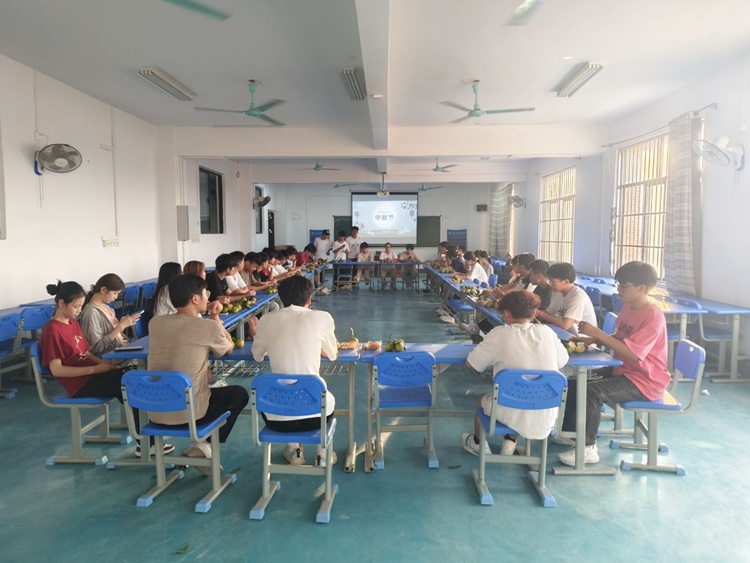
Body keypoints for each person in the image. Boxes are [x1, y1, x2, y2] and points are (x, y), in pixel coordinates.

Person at [40, 280, 173, 458]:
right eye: (76, 307)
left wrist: (105, 365)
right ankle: (146, 443)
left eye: (80, 306)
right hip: (79, 384)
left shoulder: (72, 323)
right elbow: (57, 370)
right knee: (128, 381)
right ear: (61, 303)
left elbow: (85, 353)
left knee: (134, 374)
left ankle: (148, 437)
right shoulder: (52, 330)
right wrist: (96, 370)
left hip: (91, 374)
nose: (79, 311)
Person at [558, 261, 669, 466]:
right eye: (618, 284)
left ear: (641, 288)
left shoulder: (653, 316)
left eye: (623, 286)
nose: (619, 290)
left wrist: (597, 333)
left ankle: (587, 448)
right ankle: (573, 434)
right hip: (623, 370)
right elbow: (620, 337)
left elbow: (633, 353)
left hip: (645, 381)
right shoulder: (628, 306)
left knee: (592, 392)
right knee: (575, 381)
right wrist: (592, 340)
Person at [148, 274, 250, 473]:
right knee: (238, 394)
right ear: (195, 298)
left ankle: (201, 447)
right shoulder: (208, 326)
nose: (208, 297)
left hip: (155, 410)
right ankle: (204, 445)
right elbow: (229, 347)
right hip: (191, 414)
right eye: (206, 294)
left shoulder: (155, 323)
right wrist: (215, 317)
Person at [460, 290, 568, 457]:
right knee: (525, 394)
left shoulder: (500, 334)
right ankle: (510, 441)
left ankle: (477, 443)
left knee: (483, 399)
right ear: (534, 312)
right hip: (546, 413)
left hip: (510, 410)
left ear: (507, 313)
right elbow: (563, 361)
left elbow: (472, 363)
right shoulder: (548, 332)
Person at [251, 276, 338, 467]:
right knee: (325, 398)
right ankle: (322, 455)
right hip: (315, 416)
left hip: (276, 418)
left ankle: (294, 451)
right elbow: (332, 354)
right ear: (309, 298)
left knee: (284, 395)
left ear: (281, 298)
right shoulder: (321, 317)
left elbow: (257, 355)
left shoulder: (267, 319)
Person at [80, 273, 140, 357]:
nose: (116, 297)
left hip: (121, 350)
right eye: (115, 293)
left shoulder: (106, 307)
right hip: (111, 357)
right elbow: (98, 347)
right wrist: (120, 326)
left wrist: (123, 324)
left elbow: (114, 335)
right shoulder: (91, 313)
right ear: (103, 290)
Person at [535, 262, 597, 335]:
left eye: (553, 281)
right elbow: (548, 313)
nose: (550, 284)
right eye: (549, 281)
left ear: (566, 282)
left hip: (581, 339)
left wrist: (540, 314)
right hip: (566, 333)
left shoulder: (578, 297)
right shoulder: (559, 293)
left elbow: (565, 325)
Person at [313, 229, 333, 295]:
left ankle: (323, 287)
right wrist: (313, 258)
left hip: (324, 259)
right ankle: (319, 287)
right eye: (325, 235)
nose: (326, 236)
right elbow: (314, 249)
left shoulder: (329, 241)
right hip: (317, 259)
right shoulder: (317, 239)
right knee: (317, 274)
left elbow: (334, 246)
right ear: (322, 234)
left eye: (327, 235)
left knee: (322, 274)